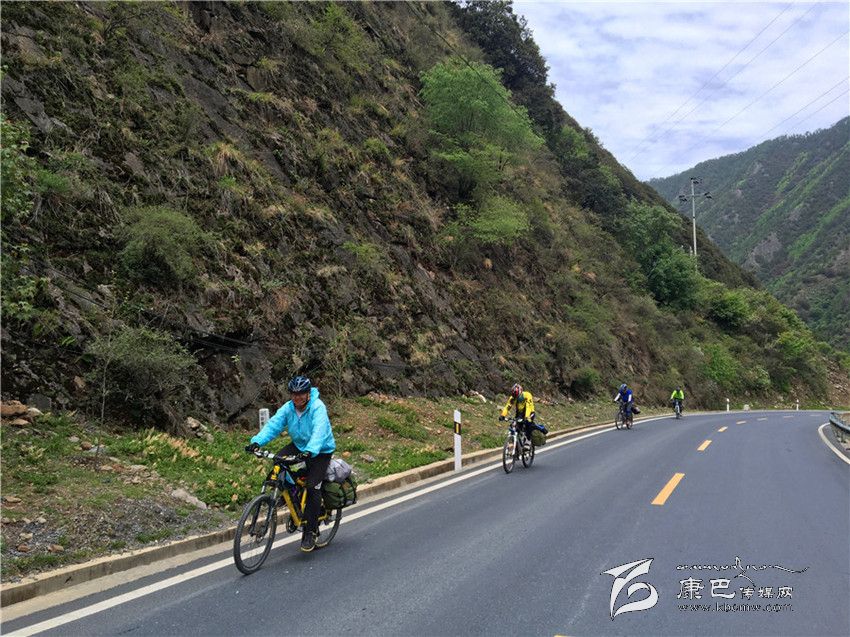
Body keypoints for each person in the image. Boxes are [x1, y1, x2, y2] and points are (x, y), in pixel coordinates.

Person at [245, 376, 335, 552]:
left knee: (312, 487)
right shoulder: (288, 408)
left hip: (320, 450)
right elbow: (273, 425)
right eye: (294, 394)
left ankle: (310, 532)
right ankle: (293, 498)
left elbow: (319, 431)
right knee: (278, 462)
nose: (297, 397)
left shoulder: (318, 407)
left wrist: (310, 451)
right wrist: (257, 442)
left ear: (308, 394)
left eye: (301, 394)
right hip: (299, 445)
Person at [499, 383, 536, 450]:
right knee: (515, 427)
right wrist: (502, 415)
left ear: (520, 392)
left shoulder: (527, 395)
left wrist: (527, 417)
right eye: (514, 396)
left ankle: (528, 441)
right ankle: (516, 445)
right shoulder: (512, 397)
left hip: (530, 412)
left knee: (528, 424)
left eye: (516, 395)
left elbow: (528, 407)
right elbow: (507, 407)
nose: (515, 397)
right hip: (520, 414)